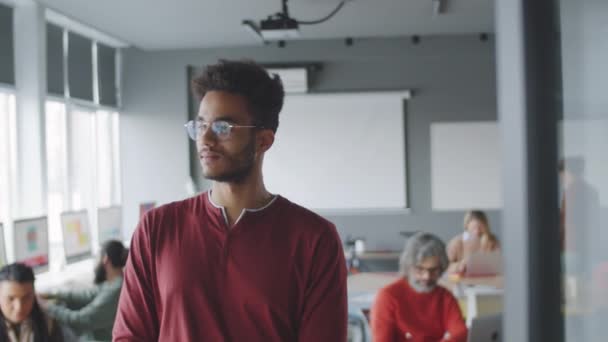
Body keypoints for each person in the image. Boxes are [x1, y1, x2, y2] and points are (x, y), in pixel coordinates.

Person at [112, 59, 347, 341]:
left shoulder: (314, 238)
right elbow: (130, 336)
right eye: (200, 126)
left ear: (263, 141)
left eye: (223, 128)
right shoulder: (157, 228)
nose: (206, 139)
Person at [371, 232, 467, 342]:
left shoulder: (444, 296)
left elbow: (460, 332)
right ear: (408, 266)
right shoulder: (388, 297)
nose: (427, 276)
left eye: (433, 270)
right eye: (420, 269)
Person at [38, 240, 127, 342]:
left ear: (105, 259)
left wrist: (48, 307)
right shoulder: (116, 282)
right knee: (65, 305)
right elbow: (86, 295)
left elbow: (79, 321)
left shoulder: (116, 290)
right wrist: (54, 294)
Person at [0, 263, 64, 342]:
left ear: (34, 295)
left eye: (26, 298)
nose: (19, 307)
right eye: (11, 298)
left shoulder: (47, 324)